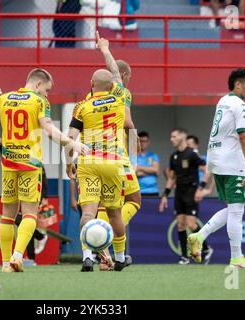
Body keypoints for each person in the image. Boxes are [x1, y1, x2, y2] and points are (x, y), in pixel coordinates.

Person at [0, 70, 88, 273]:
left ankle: (4, 263)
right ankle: (18, 257)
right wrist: (72, 143)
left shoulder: (4, 98)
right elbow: (49, 130)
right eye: (47, 90)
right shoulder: (39, 101)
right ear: (38, 85)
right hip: (30, 166)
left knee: (7, 216)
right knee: (29, 214)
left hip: (8, 165)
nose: (47, 95)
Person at [67, 31, 128, 272]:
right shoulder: (119, 98)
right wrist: (105, 50)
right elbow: (116, 73)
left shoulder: (82, 106)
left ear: (92, 85)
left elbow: (70, 138)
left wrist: (68, 162)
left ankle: (87, 257)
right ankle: (121, 258)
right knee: (114, 212)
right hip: (113, 162)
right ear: (112, 86)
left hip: (88, 163)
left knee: (89, 211)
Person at [188, 68, 245, 269]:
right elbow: (243, 136)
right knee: (237, 211)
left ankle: (199, 236)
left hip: (217, 161)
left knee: (232, 208)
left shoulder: (223, 101)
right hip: (233, 163)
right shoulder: (240, 105)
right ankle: (237, 258)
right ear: (238, 84)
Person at [82, 58, 141, 271]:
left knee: (97, 205)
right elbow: (127, 122)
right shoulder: (121, 95)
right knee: (128, 201)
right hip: (118, 156)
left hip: (90, 157)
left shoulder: (88, 99)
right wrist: (134, 151)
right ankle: (109, 248)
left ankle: (99, 250)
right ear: (123, 77)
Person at [158, 128, 213, 265]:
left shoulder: (192, 154)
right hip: (179, 193)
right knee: (181, 225)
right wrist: (165, 195)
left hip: (191, 191)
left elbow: (207, 170)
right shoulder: (174, 156)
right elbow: (171, 178)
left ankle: (206, 249)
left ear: (182, 137)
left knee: (191, 223)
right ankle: (184, 256)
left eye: (174, 136)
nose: (171, 139)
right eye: (171, 137)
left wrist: (201, 189)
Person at [0, 138, 49, 263]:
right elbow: (11, 159)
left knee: (22, 220)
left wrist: (45, 196)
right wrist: (1, 147)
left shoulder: (33, 155)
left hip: (32, 187)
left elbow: (43, 175)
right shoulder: (17, 151)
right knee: (23, 222)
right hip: (18, 186)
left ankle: (27, 255)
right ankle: (30, 250)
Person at [135, 131, 160, 197]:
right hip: (139, 191)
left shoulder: (153, 155)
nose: (143, 143)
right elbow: (134, 173)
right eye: (141, 141)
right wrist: (150, 171)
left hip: (153, 191)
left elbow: (156, 171)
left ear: (148, 142)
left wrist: (139, 167)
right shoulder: (133, 157)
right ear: (138, 142)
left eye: (145, 141)